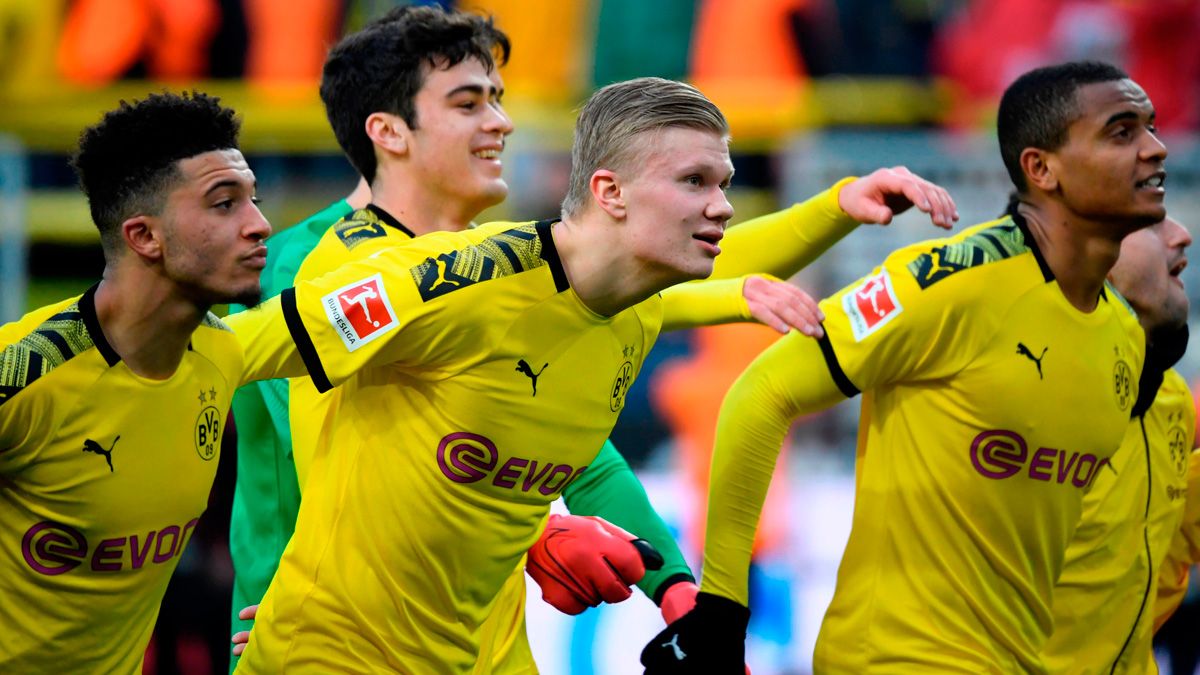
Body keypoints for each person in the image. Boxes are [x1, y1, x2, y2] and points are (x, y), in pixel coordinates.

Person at [226, 7, 958, 671]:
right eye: (469, 102)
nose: (502, 123)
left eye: (500, 99)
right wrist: (544, 532)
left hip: (480, 632)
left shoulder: (506, 264)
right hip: (334, 638)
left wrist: (674, 585)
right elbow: (338, 457)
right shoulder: (328, 263)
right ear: (389, 132)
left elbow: (618, 309)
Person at [643, 60, 1165, 673]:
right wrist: (723, 611)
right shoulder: (947, 281)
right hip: (898, 658)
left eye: (1151, 128)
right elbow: (761, 390)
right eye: (1122, 132)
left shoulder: (1123, 335)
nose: (1156, 150)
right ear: (1040, 168)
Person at [0, 91, 270, 672]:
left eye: (254, 199)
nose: (260, 225)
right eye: (225, 204)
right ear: (144, 236)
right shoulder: (25, 377)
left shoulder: (226, 352)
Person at [1041, 211, 1194, 673]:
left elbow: (1147, 569)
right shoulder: (1017, 388)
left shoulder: (1172, 399)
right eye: (1152, 224)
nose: (1182, 236)